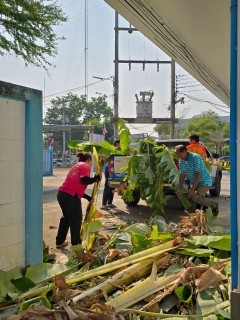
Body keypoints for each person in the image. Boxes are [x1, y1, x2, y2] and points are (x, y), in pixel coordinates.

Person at [56, 152, 101, 248]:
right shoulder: (85, 165)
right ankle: (76, 245)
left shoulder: (77, 166)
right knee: (76, 220)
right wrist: (96, 179)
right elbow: (84, 180)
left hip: (62, 194)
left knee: (66, 218)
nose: (91, 164)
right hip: (70, 197)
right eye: (91, 162)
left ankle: (59, 242)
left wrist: (88, 198)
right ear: (88, 160)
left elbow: (76, 187)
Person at [175, 145, 219, 216]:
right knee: (189, 200)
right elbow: (182, 175)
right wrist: (179, 189)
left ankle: (213, 204)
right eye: (178, 155)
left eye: (181, 154)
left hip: (204, 181)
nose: (180, 156)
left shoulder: (195, 158)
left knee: (196, 197)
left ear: (185, 151)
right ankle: (193, 219)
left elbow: (198, 174)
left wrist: (192, 189)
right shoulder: (181, 161)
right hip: (194, 183)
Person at [101, 139, 121, 210]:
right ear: (117, 143)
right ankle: (103, 205)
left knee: (113, 187)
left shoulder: (120, 151)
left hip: (115, 172)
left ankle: (109, 203)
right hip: (109, 171)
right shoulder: (112, 150)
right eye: (120, 143)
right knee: (107, 187)